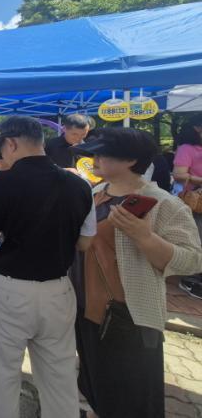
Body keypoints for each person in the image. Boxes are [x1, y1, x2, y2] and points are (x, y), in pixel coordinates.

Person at [0, 116, 96, 418]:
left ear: (11, 143)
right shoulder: (80, 184)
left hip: (9, 288)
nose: (1, 158)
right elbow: (84, 243)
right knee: (59, 373)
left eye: (1, 151)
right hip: (58, 290)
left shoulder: (1, 182)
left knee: (4, 369)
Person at [72, 128, 202, 418]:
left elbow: (193, 260)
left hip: (129, 316)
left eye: (102, 153)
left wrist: (145, 237)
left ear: (131, 160)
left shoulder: (163, 203)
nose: (94, 159)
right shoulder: (95, 194)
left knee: (132, 394)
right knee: (96, 384)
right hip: (86, 308)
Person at [173, 115, 202, 299]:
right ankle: (192, 278)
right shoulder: (187, 149)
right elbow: (178, 174)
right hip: (196, 201)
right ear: (198, 128)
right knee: (197, 238)